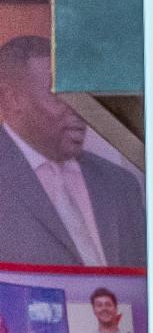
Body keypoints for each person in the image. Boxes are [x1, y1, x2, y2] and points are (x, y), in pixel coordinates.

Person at [0, 37, 145, 269]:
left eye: (81, 95)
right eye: (59, 94)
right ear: (12, 98)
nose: (79, 109)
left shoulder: (121, 186)